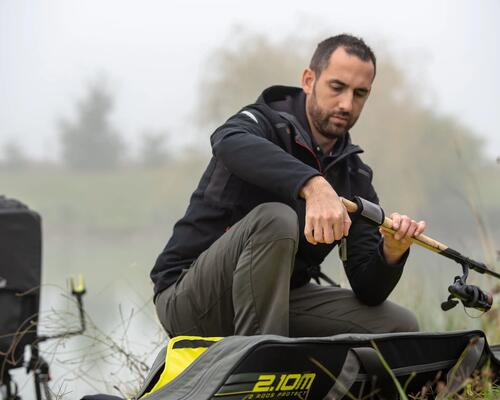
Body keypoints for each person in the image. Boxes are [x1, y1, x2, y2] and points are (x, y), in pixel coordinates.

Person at [151, 34, 426, 338]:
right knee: (276, 219)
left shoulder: (354, 176)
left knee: (398, 326)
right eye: (337, 87)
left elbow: (368, 290)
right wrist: (313, 184)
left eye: (360, 93)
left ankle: (322, 378)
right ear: (309, 80)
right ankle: (260, 371)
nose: (347, 103)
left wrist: (391, 252)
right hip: (190, 300)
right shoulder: (264, 122)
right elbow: (226, 140)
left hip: (279, 300)